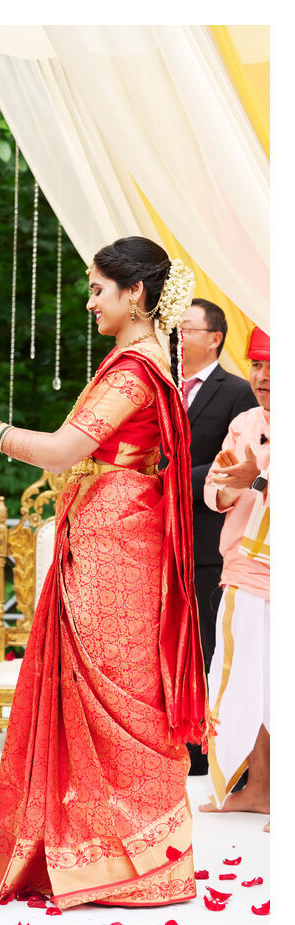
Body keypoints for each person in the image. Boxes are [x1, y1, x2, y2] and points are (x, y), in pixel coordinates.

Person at [0, 237, 209, 910]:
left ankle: (126, 863)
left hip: (115, 541)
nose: (90, 299)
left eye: (99, 288)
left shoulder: (135, 367)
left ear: (135, 293)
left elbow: (63, 450)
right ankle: (106, 857)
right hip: (115, 526)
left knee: (116, 695)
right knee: (105, 692)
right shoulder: (142, 358)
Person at [179, 300, 256, 775]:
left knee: (210, 647)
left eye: (187, 328)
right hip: (157, 538)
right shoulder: (159, 385)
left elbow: (242, 463)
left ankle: (212, 755)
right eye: (175, 328)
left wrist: (172, 481)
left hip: (210, 539)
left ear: (215, 337)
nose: (178, 337)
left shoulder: (241, 392)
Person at [198, 326, 270, 831]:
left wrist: (258, 479)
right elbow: (215, 492)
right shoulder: (246, 420)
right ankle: (259, 789)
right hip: (244, 567)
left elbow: (259, 482)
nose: (262, 376)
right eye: (257, 364)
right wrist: (226, 487)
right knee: (245, 680)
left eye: (273, 365)